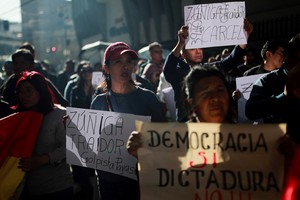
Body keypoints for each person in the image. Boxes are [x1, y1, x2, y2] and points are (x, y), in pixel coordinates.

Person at [90, 42, 166, 200]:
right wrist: (74, 130)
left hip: (141, 182)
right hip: (109, 183)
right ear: (106, 68)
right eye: (118, 61)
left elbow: (163, 139)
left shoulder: (148, 98)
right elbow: (92, 147)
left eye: (129, 61)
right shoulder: (98, 102)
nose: (125, 66)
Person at [127, 64, 236, 156]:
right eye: (206, 93)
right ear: (191, 102)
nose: (215, 98)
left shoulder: (249, 140)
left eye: (220, 90)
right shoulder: (172, 142)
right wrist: (142, 157)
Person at [163, 18, 253, 122]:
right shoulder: (178, 73)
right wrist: (180, 43)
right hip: (187, 127)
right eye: (192, 49)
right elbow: (168, 68)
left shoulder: (210, 69)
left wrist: (244, 37)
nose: (198, 51)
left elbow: (232, 60)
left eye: (200, 48)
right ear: (183, 54)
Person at [15, 71, 74, 200]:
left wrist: (43, 159)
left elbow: (69, 149)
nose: (24, 95)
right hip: (28, 190)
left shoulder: (60, 115)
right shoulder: (18, 119)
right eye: (20, 91)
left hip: (58, 189)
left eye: (29, 90)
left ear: (40, 91)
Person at [245, 33, 300, 123]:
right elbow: (251, 111)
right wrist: (283, 96)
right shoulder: (267, 80)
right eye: (298, 60)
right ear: (287, 58)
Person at [0, 48, 68, 107]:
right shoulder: (9, 83)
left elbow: (63, 103)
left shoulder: (41, 81)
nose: (18, 66)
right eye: (15, 63)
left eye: (22, 63)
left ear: (31, 66)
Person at [69, 63, 96, 200]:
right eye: (84, 71)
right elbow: (73, 108)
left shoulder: (97, 88)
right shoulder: (75, 89)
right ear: (80, 73)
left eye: (89, 70)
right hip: (80, 127)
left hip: (95, 127)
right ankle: (81, 183)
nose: (87, 73)